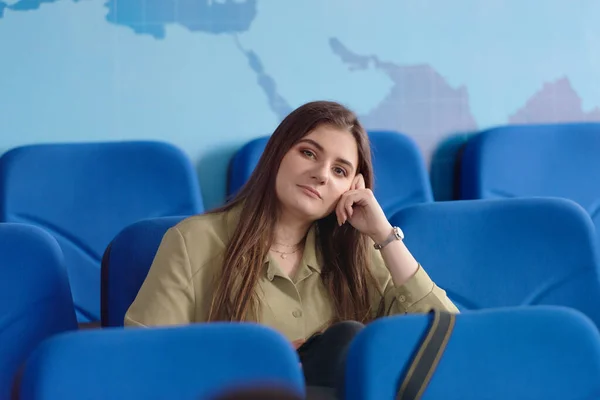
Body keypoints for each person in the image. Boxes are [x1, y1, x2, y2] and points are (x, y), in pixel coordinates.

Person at [124, 101, 458, 394]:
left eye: (340, 171)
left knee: (348, 340)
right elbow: (144, 365)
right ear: (277, 154)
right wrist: (264, 363)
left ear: (353, 187)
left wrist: (384, 235)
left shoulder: (362, 254)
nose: (321, 175)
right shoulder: (193, 241)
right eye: (308, 153)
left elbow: (445, 340)